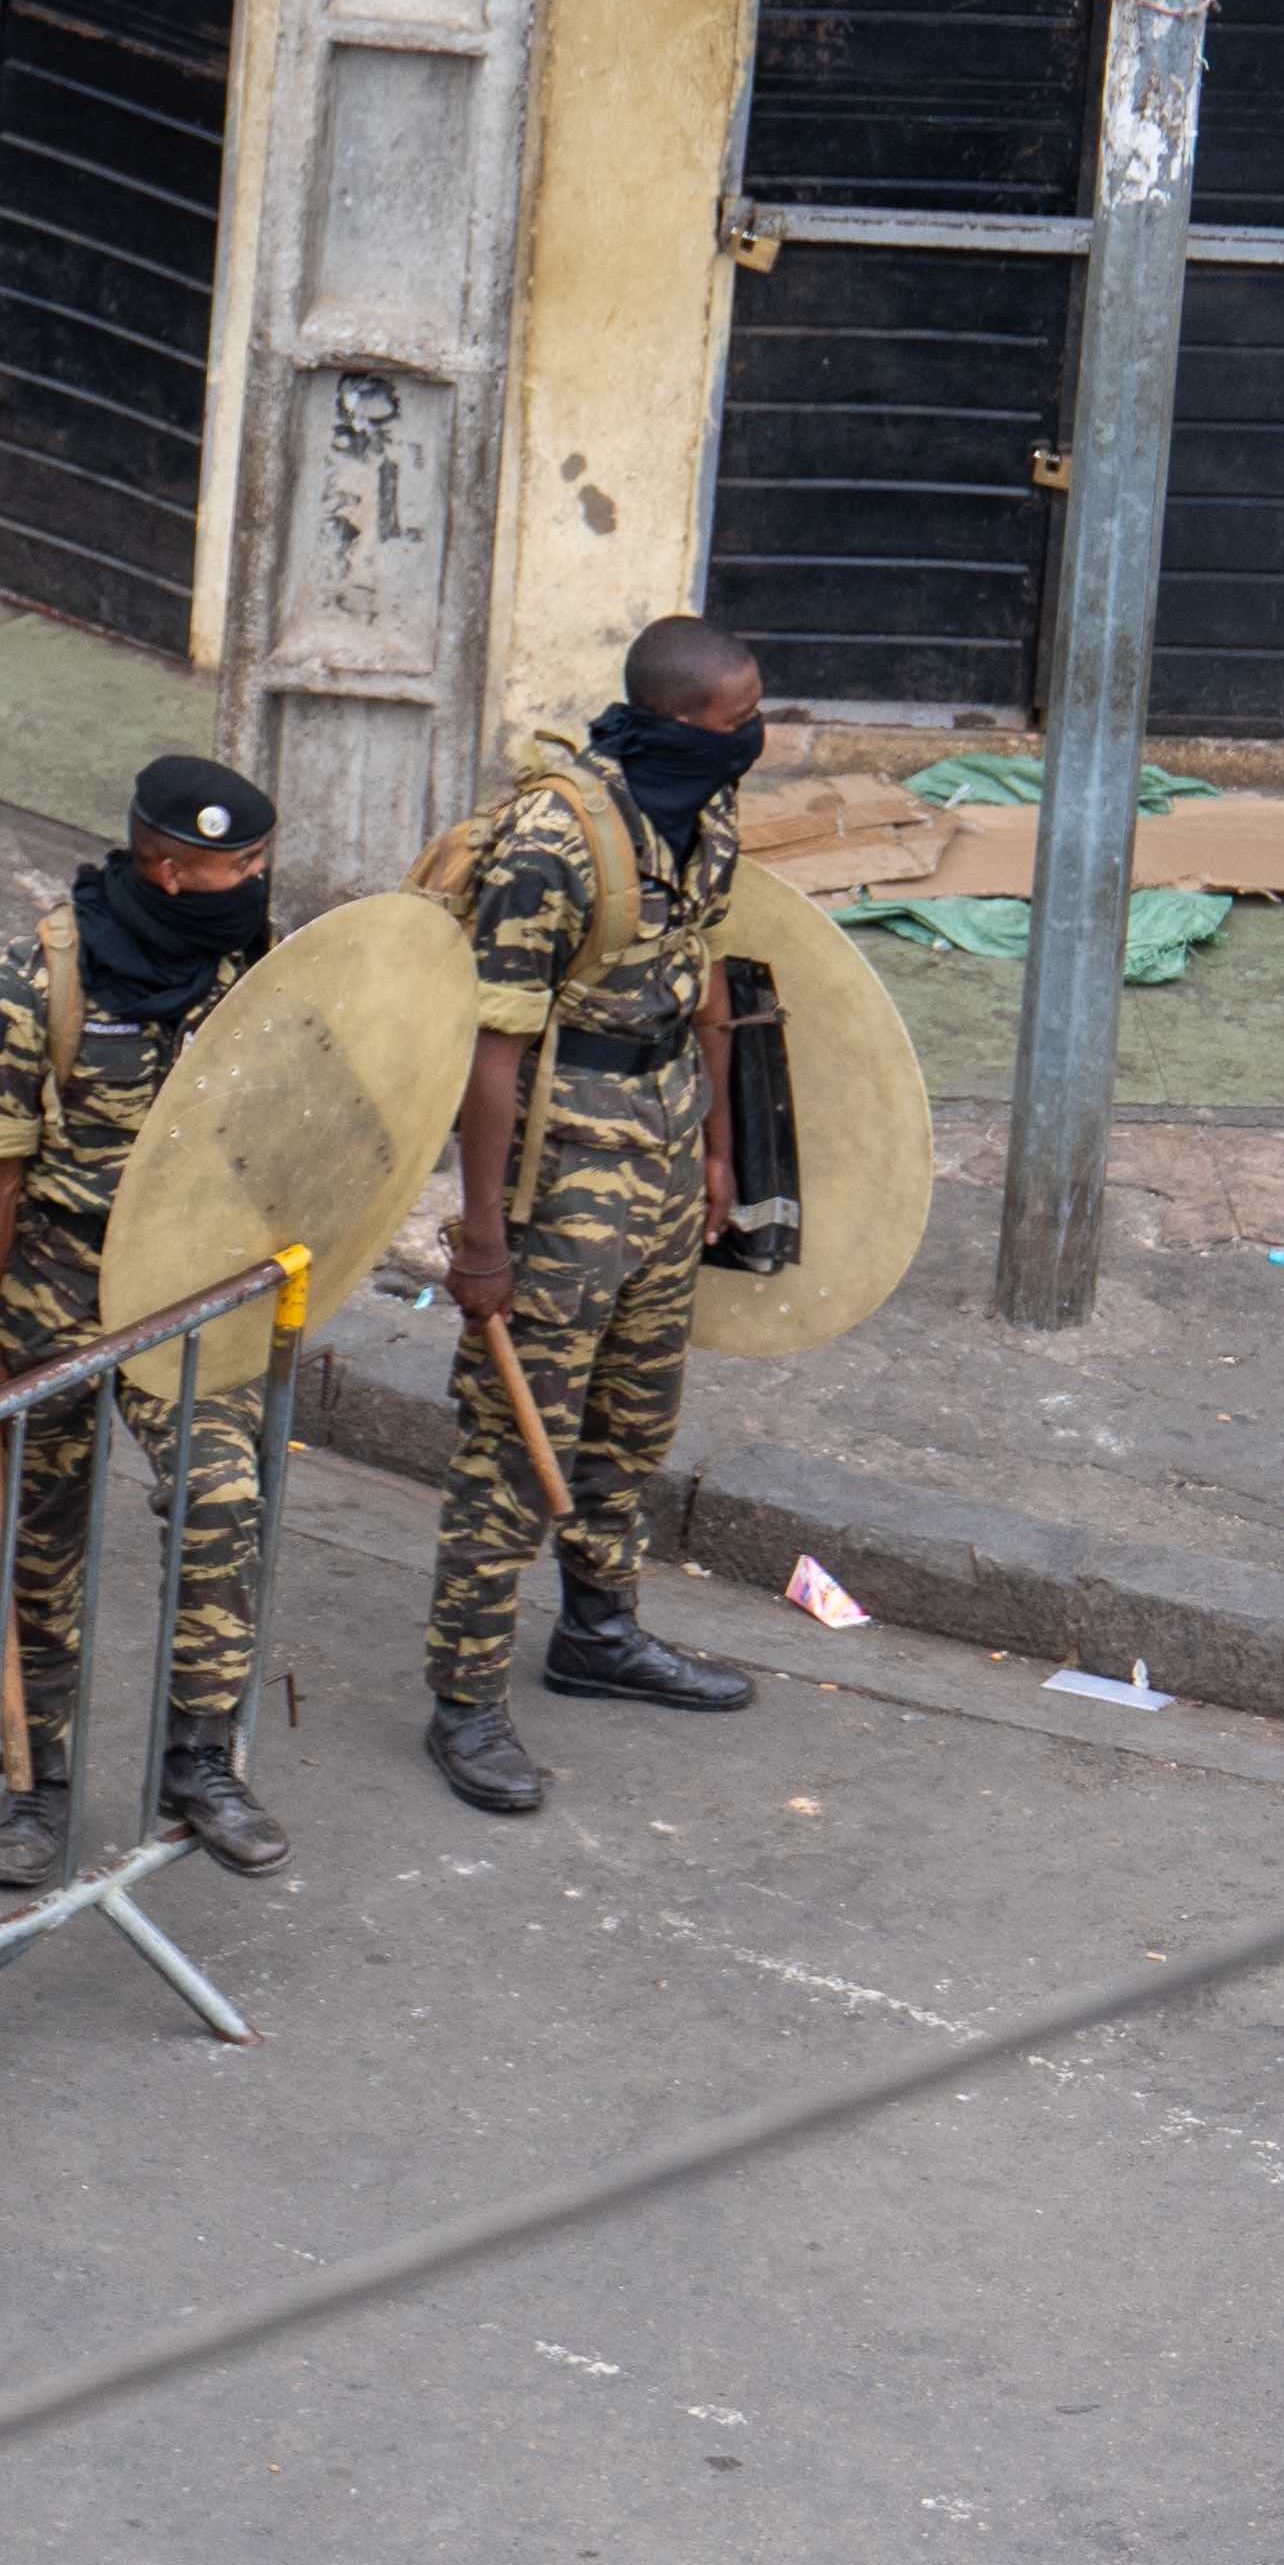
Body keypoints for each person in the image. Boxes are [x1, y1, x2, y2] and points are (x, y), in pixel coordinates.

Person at [427, 616, 770, 1815]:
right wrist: (480, 1237)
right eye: (739, 723)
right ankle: (465, 1699)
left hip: (668, 1145)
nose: (756, 741)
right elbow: (491, 1045)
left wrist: (723, 1150)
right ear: (680, 721)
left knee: (635, 1416)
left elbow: (709, 975)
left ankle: (599, 1631)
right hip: (556, 1172)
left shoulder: (705, 814)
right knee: (517, 1444)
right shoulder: (550, 844)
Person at [0, 753, 294, 1886]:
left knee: (222, 1503)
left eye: (256, 858)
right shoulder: (36, 983)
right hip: (58, 1286)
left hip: (191, 1297)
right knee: (38, 1545)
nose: (254, 878)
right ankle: (31, 1785)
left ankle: (200, 1759)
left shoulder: (254, 969)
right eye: (234, 864)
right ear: (166, 867)